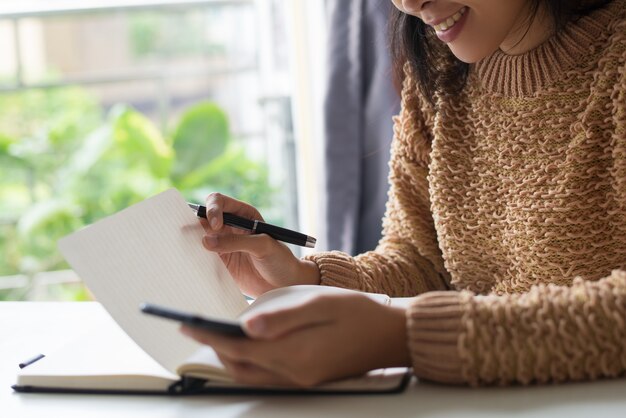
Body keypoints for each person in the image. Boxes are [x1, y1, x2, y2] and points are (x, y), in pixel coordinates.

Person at [180, 0, 626, 387]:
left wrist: (407, 336)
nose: (409, 3)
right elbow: (422, 261)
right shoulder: (441, 64)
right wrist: (304, 281)